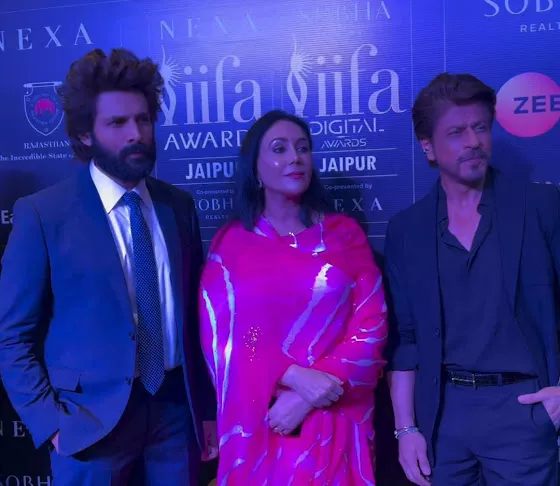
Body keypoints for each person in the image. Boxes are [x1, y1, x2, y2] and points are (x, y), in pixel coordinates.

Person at [0, 48, 217, 485]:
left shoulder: (179, 206)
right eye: (117, 123)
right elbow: (12, 337)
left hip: (176, 413)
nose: (136, 133)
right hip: (88, 423)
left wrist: (207, 409)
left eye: (143, 120)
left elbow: (197, 319)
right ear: (85, 134)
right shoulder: (43, 214)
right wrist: (51, 423)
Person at [384, 72, 560, 486]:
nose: (473, 141)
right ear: (427, 146)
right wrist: (406, 429)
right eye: (456, 132)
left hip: (525, 409)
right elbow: (406, 341)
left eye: (480, 128)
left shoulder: (542, 207)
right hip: (443, 418)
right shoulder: (407, 230)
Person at [198, 109, 388, 484]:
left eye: (302, 148)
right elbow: (225, 337)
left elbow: (371, 324)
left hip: (334, 415)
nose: (295, 158)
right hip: (264, 422)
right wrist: (290, 376)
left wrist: (309, 394)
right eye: (279, 149)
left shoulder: (344, 236)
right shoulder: (233, 246)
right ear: (255, 169)